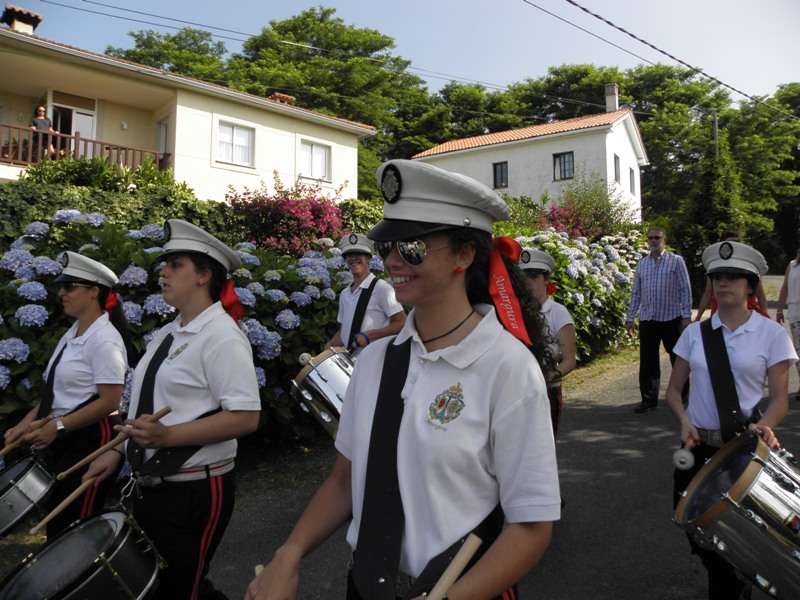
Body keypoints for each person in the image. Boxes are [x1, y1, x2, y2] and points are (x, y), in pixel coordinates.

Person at [247, 159, 560, 600]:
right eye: (388, 246)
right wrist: (289, 554)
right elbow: (344, 480)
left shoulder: (507, 367)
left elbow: (530, 526)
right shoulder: (375, 361)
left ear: (465, 254)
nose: (393, 261)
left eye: (412, 247)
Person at [83, 219, 261, 600]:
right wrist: (116, 451)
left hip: (196, 489)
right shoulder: (168, 333)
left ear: (203, 275)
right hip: (151, 487)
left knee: (182, 589)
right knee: (156, 587)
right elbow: (146, 408)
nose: (163, 272)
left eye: (175, 264)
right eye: (165, 264)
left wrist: (169, 436)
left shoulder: (223, 337)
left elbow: (246, 416)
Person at [666, 240, 796, 600]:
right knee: (696, 530)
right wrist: (683, 420)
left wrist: (766, 426)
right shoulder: (694, 334)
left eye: (734, 277)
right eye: (718, 276)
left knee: (743, 539)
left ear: (751, 286)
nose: (724, 283)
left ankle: (730, 585)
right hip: (697, 451)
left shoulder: (771, 335)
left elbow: (781, 399)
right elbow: (674, 392)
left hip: (743, 455)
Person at [3, 252, 129, 538]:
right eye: (62, 286)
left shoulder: (105, 340)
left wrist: (57, 426)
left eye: (70, 286)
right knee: (58, 527)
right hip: (66, 435)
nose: (62, 293)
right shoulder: (73, 332)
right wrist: (26, 422)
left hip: (91, 440)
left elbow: (110, 401)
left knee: (74, 530)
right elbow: (57, 393)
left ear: (94, 291)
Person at [626, 227, 692, 413]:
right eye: (651, 238)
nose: (654, 241)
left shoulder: (676, 261)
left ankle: (682, 395)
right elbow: (636, 292)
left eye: (657, 238)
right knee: (648, 361)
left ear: (664, 240)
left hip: (671, 317)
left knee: (677, 357)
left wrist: (686, 316)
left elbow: (685, 289)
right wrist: (631, 317)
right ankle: (648, 399)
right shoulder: (642, 264)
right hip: (649, 318)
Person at [518, 248, 576, 436]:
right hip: (518, 390)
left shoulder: (557, 312)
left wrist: (546, 378)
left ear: (545, 279)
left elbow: (569, 360)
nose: (528, 282)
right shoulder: (515, 313)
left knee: (544, 448)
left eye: (533, 276)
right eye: (523, 276)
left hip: (546, 391)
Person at [326, 233, 406, 357]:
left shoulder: (382, 288)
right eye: (349, 255)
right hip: (351, 363)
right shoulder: (344, 294)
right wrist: (328, 348)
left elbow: (401, 323)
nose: (353, 258)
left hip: (375, 361)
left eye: (358, 254)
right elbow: (344, 331)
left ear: (368, 258)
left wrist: (370, 335)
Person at [694, 231, 768, 321]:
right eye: (718, 278)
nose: (722, 283)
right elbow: (707, 293)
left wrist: (765, 316)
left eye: (733, 277)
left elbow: (760, 295)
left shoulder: (748, 271)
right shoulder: (715, 270)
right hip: (719, 314)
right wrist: (698, 317)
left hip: (749, 314)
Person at [777, 246, 800, 398]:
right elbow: (784, 288)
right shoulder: (792, 265)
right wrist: (779, 309)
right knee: (798, 350)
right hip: (795, 313)